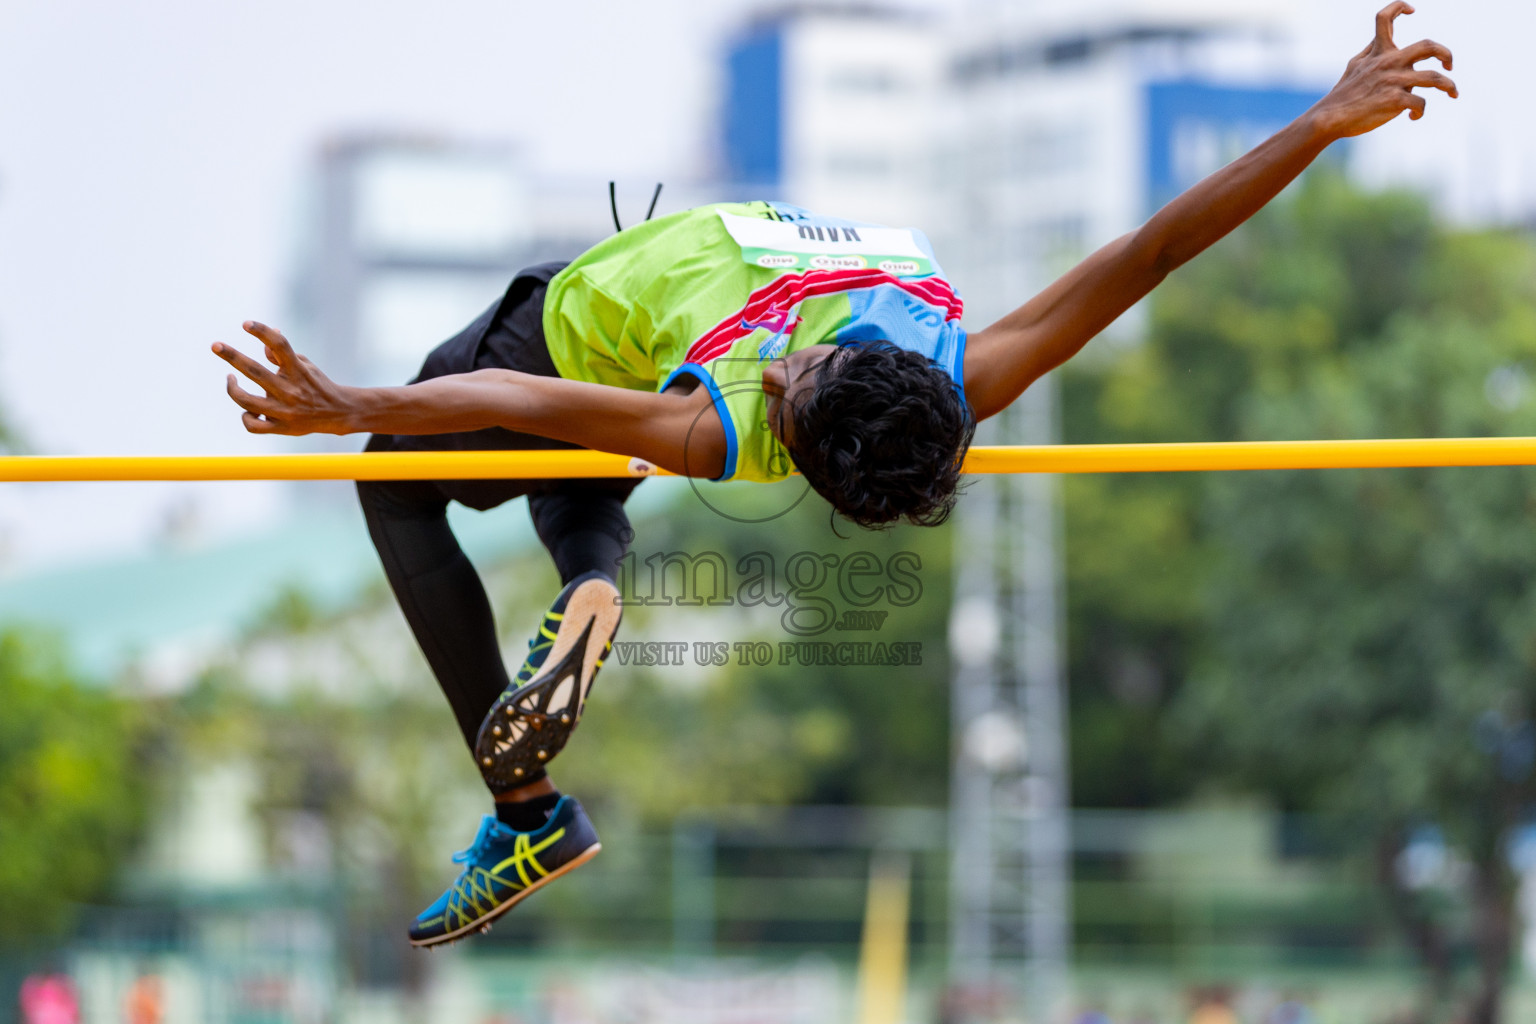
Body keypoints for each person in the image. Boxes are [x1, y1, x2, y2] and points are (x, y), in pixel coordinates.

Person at [214, 3, 1453, 946]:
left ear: (794, 432)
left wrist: (362, 407)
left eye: (782, 398)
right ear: (869, 370)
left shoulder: (771, 409)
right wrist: (1316, 125)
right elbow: (1154, 252)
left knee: (401, 473)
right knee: (595, 454)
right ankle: (562, 678)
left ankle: (532, 793)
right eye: (797, 379)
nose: (779, 377)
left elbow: (527, 392)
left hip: (593, 317)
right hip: (626, 338)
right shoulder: (943, 382)